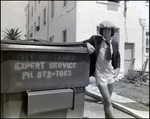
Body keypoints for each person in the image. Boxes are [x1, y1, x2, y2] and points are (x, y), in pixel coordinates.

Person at [83, 21, 121, 118]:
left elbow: (117, 56)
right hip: (100, 75)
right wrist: (88, 45)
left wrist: (117, 68)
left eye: (109, 29)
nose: (106, 31)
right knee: (108, 100)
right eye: (105, 29)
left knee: (107, 102)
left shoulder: (115, 43)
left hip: (111, 75)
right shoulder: (95, 39)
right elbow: (84, 42)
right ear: (102, 30)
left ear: (112, 31)